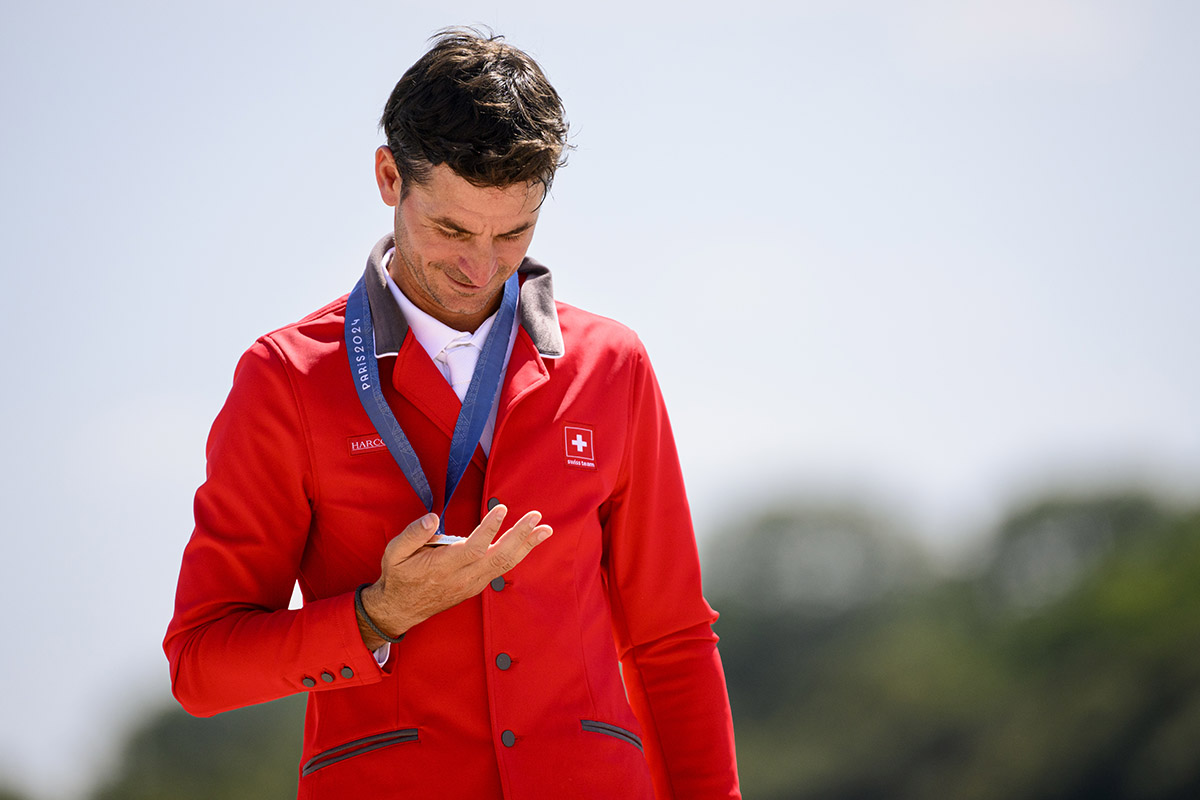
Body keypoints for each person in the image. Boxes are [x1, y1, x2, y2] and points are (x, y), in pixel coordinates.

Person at [164, 27, 740, 799]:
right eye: (452, 229)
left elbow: (670, 640)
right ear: (388, 177)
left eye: (514, 233)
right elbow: (201, 666)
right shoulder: (285, 378)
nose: (481, 266)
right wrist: (376, 616)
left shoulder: (615, 364)